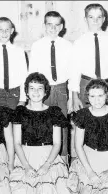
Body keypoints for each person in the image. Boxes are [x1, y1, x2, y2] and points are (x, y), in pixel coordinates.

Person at [9, 72, 79, 194]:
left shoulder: (54, 112)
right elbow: (17, 143)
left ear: (46, 92)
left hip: (48, 156)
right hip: (25, 155)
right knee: (19, 192)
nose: (36, 92)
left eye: (40, 88)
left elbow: (57, 143)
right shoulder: (20, 112)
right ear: (27, 92)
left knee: (51, 191)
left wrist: (47, 165)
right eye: (32, 88)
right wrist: (26, 166)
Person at [28, 11, 75, 163]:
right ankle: (43, 160)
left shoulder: (68, 46)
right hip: (43, 90)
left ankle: (63, 160)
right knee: (42, 123)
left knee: (62, 126)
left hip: (61, 89)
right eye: (49, 25)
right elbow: (32, 73)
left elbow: (73, 73)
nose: (53, 28)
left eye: (56, 25)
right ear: (44, 26)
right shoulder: (37, 46)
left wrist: (71, 98)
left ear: (61, 27)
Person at [69, 3, 108, 111]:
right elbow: (74, 70)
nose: (95, 21)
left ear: (104, 19)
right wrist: (74, 96)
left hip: (107, 84)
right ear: (85, 19)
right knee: (86, 121)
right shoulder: (79, 42)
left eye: (99, 17)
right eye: (91, 17)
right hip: (86, 85)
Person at [0, 17, 28, 109]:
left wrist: (22, 99)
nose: (4, 33)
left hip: (15, 94)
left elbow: (24, 76)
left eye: (7, 30)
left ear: (12, 31)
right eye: (1, 30)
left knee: (15, 121)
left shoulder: (19, 51)